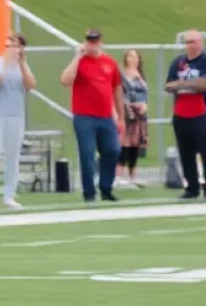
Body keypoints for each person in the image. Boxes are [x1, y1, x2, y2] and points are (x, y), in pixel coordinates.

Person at [60, 28, 123, 203]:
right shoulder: (80, 62)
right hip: (84, 116)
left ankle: (106, 188)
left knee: (112, 150)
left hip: (105, 116)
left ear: (101, 41)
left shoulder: (109, 62)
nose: (92, 44)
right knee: (87, 154)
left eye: (95, 41)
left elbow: (117, 89)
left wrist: (120, 115)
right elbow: (65, 80)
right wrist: (77, 57)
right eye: (89, 41)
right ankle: (89, 192)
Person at [0, 34, 36, 209]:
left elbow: (30, 85)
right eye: (8, 45)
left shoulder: (22, 66)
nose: (11, 49)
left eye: (15, 46)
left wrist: (21, 63)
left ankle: (9, 195)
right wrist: (6, 63)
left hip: (15, 115)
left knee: (13, 156)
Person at [164, 29, 206, 199]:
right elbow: (168, 85)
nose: (190, 45)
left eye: (193, 41)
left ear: (200, 42)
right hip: (181, 113)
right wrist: (187, 84)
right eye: (187, 42)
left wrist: (181, 84)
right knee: (185, 152)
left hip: (201, 112)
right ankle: (192, 188)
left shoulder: (204, 60)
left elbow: (203, 84)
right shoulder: (178, 62)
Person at [117, 49, 148, 188]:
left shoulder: (141, 76)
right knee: (124, 145)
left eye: (136, 57)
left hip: (140, 117)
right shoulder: (122, 75)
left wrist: (144, 106)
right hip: (127, 114)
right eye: (130, 56)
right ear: (126, 59)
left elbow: (145, 95)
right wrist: (132, 107)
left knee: (135, 146)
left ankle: (133, 177)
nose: (133, 59)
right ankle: (117, 177)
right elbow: (121, 94)